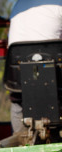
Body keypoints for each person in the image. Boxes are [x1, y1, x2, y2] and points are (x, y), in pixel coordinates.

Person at [7, 0, 62, 133]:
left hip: (20, 81)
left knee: (18, 99)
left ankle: (19, 137)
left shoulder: (18, 7)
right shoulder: (58, 4)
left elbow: (10, 48)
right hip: (57, 81)